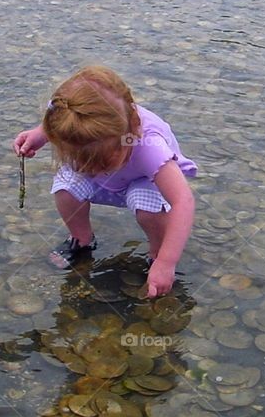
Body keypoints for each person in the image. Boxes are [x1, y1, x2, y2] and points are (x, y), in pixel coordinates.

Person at [12, 65, 197, 297]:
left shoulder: (150, 147)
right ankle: (81, 240)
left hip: (143, 181)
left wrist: (168, 262)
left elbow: (183, 201)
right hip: (105, 182)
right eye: (80, 158)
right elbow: (64, 123)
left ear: (131, 130)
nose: (91, 167)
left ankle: (157, 257)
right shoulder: (75, 122)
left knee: (147, 206)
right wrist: (41, 135)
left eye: (101, 160)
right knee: (66, 186)